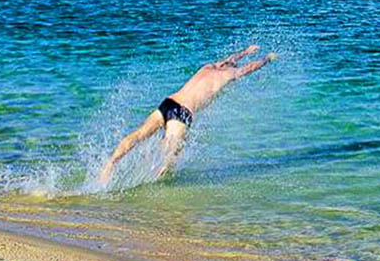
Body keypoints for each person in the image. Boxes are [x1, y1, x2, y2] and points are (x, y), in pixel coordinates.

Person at [99, 45, 277, 183]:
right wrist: (266, 59)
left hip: (168, 102)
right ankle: (154, 184)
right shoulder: (231, 74)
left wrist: (246, 51)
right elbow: (250, 68)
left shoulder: (207, 67)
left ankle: (110, 164)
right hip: (182, 113)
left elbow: (228, 59)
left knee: (139, 134)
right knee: (172, 156)